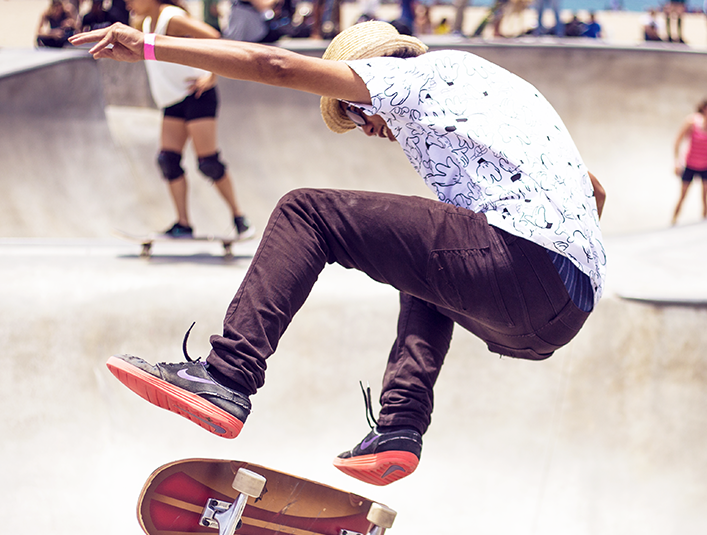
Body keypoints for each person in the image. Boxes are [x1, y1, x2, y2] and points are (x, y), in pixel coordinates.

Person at [70, 20, 606, 486]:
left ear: (370, 74)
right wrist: (546, 276)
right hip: (562, 313)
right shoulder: (491, 95)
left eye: (354, 111)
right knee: (423, 261)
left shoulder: (409, 75)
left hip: (516, 263)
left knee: (307, 212)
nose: (366, 128)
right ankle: (401, 424)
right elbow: (595, 192)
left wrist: (146, 46)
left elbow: (272, 64)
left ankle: (227, 376)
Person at [127, 0, 251, 237]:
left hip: (197, 95)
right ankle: (183, 224)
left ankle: (239, 218)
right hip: (173, 101)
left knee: (208, 163)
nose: (127, 3)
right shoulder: (144, 22)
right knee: (168, 161)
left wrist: (212, 76)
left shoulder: (171, 18)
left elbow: (215, 37)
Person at [672, 98, 707, 224]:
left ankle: (705, 222)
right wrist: (676, 162)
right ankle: (673, 221)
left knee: (705, 197)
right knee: (683, 196)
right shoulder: (692, 122)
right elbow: (677, 141)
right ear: (704, 109)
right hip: (690, 164)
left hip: (706, 165)